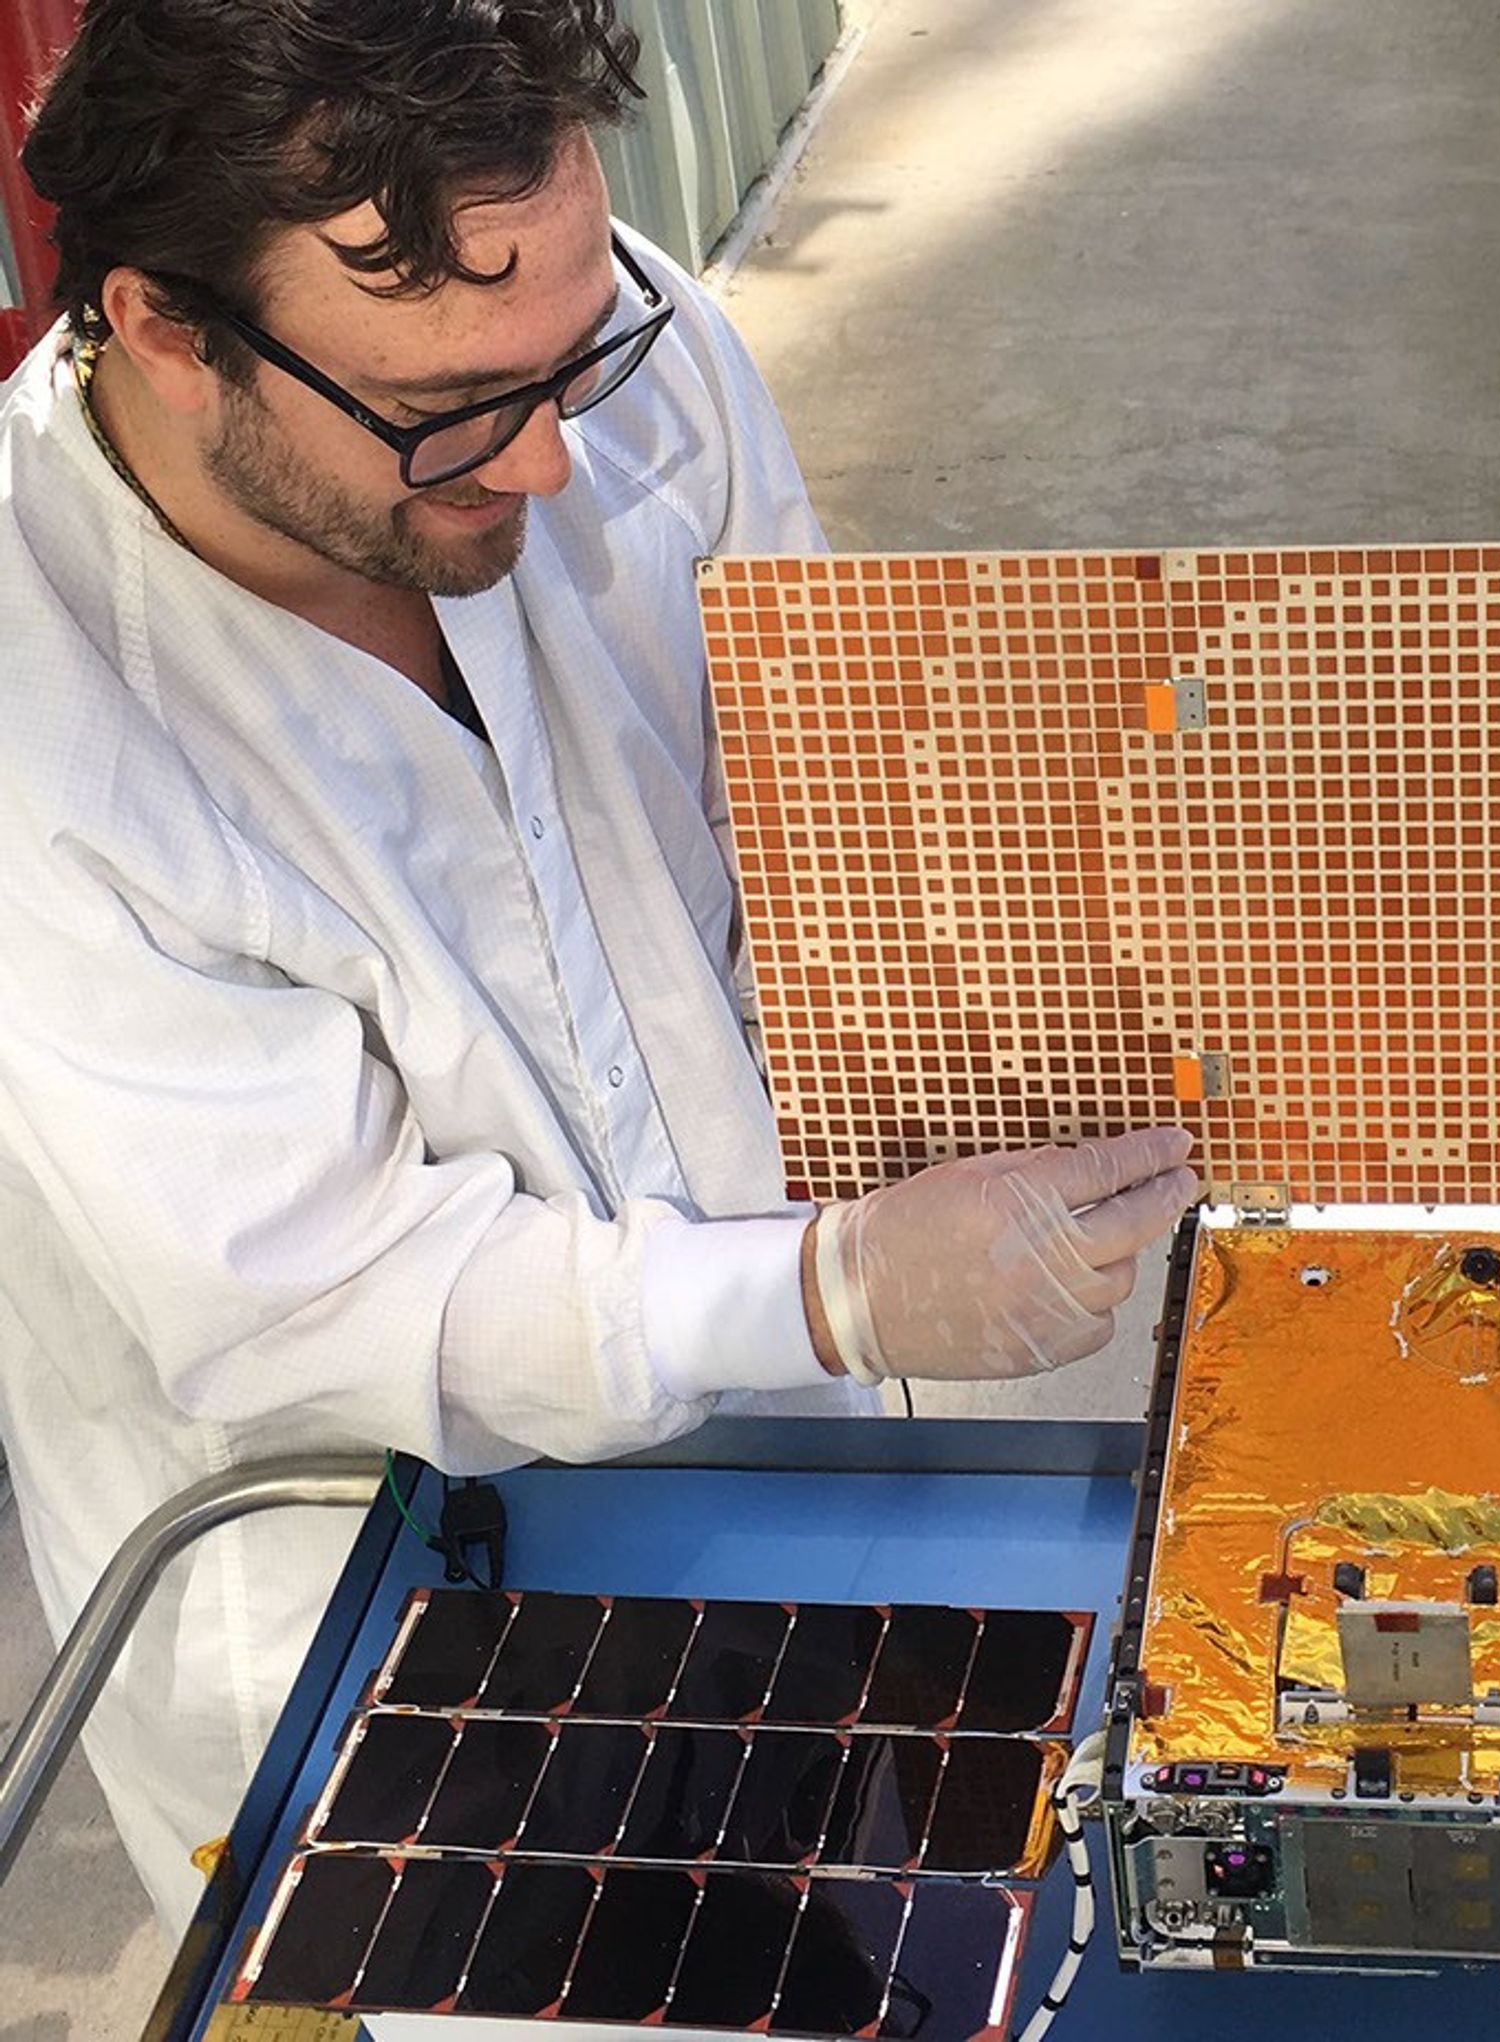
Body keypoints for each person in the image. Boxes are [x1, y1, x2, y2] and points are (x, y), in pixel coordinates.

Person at [0, 0, 1196, 1923]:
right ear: (161, 324)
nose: (555, 459)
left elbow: (813, 803)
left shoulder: (626, 351)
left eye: (576, 356)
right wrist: (836, 1289)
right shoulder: (39, 723)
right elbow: (327, 1304)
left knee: (852, 1920)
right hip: (373, 1599)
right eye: (458, 402)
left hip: (783, 1467)